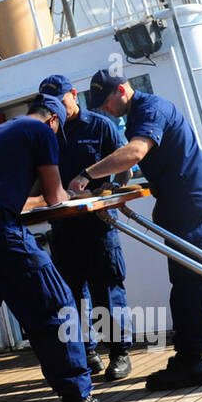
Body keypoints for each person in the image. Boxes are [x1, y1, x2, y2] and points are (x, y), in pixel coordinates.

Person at [0, 92, 135, 402]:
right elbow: (54, 197)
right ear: (53, 120)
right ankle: (77, 401)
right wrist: (80, 194)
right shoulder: (43, 133)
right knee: (58, 304)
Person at [71, 70, 202, 391]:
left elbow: (135, 152)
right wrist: (115, 184)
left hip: (188, 201)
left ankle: (189, 360)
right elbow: (131, 161)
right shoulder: (139, 114)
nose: (104, 109)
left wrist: (86, 175)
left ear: (121, 90)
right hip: (192, 199)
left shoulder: (150, 109)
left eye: (106, 102)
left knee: (187, 279)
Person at [38, 74, 133, 380]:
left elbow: (125, 170)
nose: (58, 110)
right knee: (70, 296)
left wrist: (108, 193)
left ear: (74, 95)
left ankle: (118, 353)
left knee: (105, 291)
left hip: (97, 225)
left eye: (62, 102)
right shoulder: (47, 133)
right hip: (64, 229)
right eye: (51, 106)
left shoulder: (101, 126)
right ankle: (87, 353)